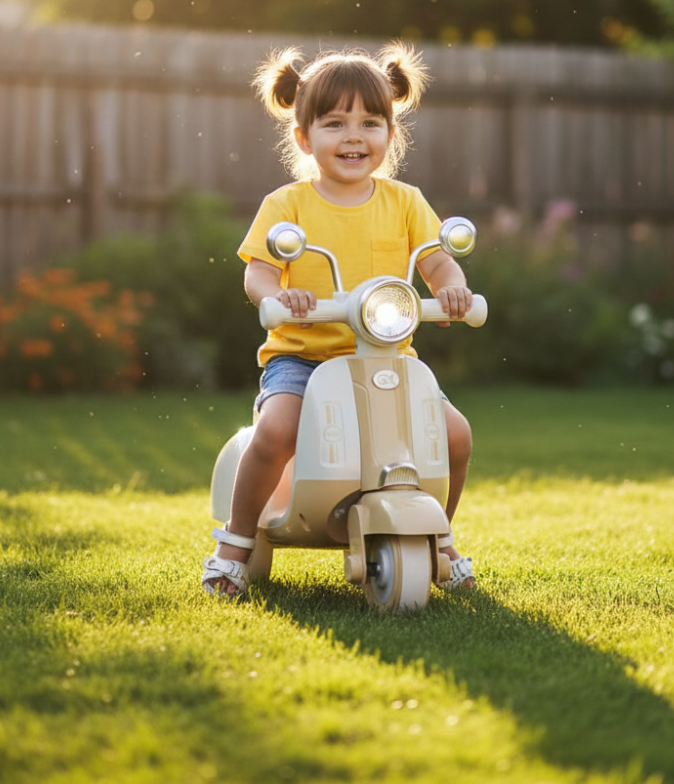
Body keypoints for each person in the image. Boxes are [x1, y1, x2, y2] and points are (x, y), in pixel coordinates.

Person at [202, 42, 476, 597]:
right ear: (304, 137)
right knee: (277, 429)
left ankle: (439, 536)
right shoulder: (288, 206)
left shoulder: (405, 202)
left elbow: (438, 261)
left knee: (455, 434)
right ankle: (236, 540)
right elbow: (258, 273)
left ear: (390, 134)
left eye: (370, 122)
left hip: (388, 360)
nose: (354, 136)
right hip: (303, 357)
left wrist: (452, 290)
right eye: (334, 123)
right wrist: (278, 296)